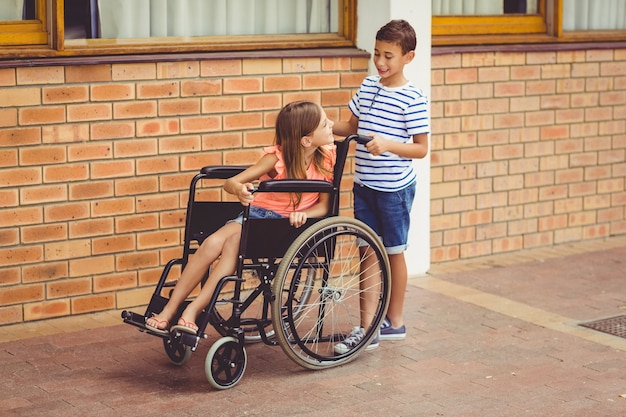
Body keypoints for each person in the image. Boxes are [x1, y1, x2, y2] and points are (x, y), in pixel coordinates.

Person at [145, 100, 337, 335]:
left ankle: (187, 310)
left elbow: (325, 206)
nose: (332, 125)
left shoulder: (327, 158)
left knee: (224, 248)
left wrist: (304, 213)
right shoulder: (276, 159)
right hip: (257, 216)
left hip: (285, 228)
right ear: (306, 140)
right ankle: (176, 310)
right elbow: (232, 182)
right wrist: (240, 190)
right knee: (216, 244)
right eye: (326, 123)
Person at [331, 19, 429, 353]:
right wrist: (321, 125)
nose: (381, 62)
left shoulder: (413, 98)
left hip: (394, 189)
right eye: (376, 54)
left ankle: (395, 322)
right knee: (366, 252)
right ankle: (367, 326)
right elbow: (350, 126)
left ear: (408, 57)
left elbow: (420, 148)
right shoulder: (369, 86)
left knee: (393, 252)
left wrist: (387, 144)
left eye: (389, 55)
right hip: (364, 185)